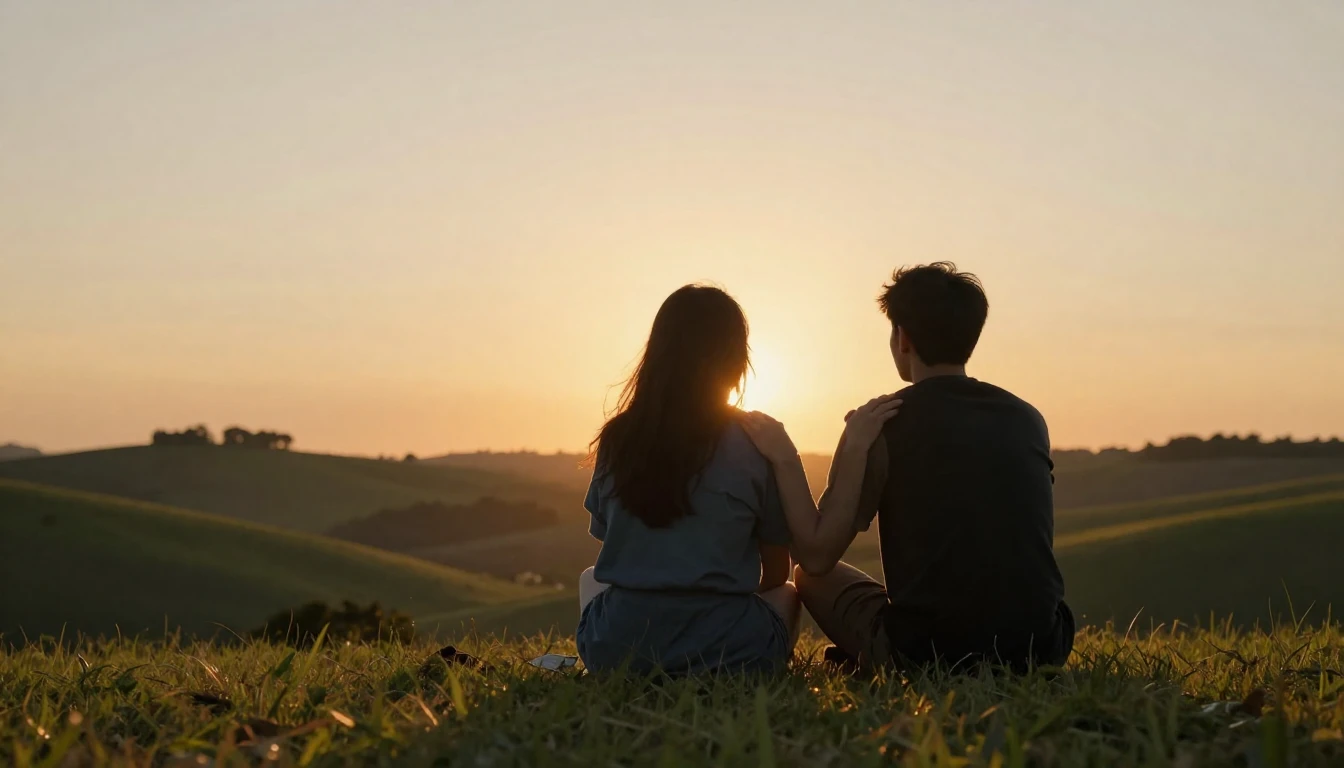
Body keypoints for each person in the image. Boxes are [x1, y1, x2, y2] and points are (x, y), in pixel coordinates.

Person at [741, 263, 1073, 672]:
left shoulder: (881, 425)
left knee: (811, 580)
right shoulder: (1027, 418)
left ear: (903, 339)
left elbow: (816, 556)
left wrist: (840, 450)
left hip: (927, 653)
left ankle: (873, 655)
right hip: (1042, 646)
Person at [576, 284, 899, 676]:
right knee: (788, 593)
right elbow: (776, 572)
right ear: (736, 359)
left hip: (618, 650)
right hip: (731, 651)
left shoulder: (617, 438)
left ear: (656, 353)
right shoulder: (755, 442)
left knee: (591, 579)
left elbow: (614, 546)